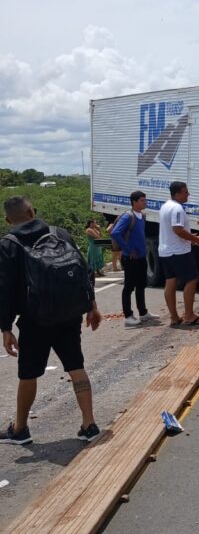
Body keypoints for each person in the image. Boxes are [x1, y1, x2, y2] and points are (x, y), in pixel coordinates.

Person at [0, 196, 102, 444]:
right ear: (33, 211)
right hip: (69, 315)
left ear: (7, 220)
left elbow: (5, 289)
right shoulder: (60, 233)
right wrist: (92, 306)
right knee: (76, 367)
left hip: (35, 320)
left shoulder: (8, 244)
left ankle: (20, 429)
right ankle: (89, 424)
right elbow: (83, 270)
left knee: (28, 374)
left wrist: (6, 328)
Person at [158, 181, 199, 327]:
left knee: (170, 281)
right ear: (177, 193)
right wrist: (195, 239)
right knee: (192, 279)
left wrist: (189, 237)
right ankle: (189, 315)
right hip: (178, 251)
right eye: (186, 192)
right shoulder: (177, 208)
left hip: (165, 251)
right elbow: (177, 229)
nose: (188, 194)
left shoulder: (165, 206)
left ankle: (174, 317)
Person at [111, 190, 158, 327]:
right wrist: (128, 249)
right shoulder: (128, 216)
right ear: (134, 202)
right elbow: (115, 233)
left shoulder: (142, 216)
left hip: (141, 257)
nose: (145, 202)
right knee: (128, 287)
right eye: (142, 200)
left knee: (141, 286)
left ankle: (143, 313)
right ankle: (128, 316)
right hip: (130, 258)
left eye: (145, 200)